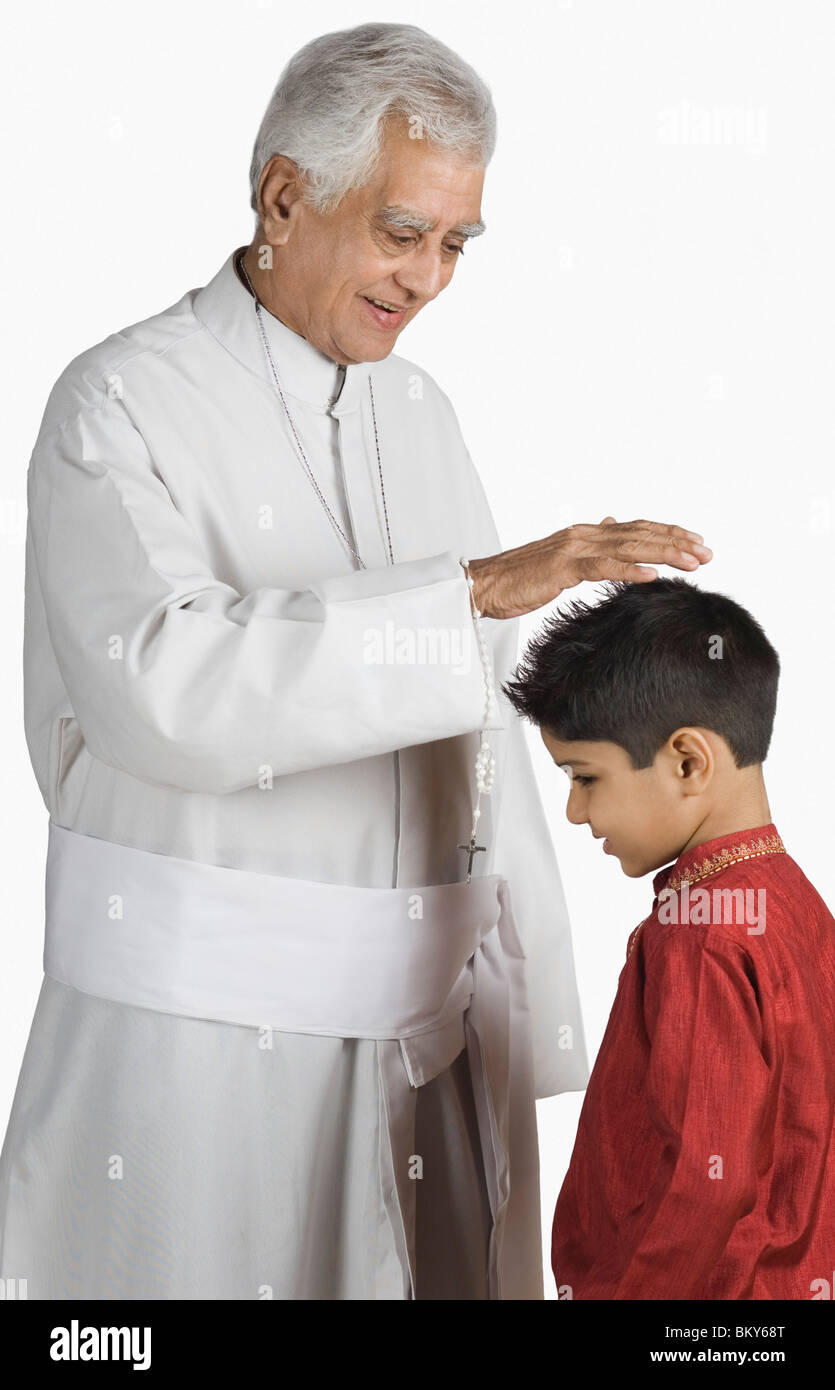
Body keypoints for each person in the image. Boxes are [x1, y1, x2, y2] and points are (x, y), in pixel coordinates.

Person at [0, 22, 712, 1301]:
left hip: (429, 1054)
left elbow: (479, 721)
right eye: (402, 233)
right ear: (283, 194)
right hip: (201, 1056)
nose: (430, 278)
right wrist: (476, 591)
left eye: (456, 243)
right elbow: (164, 691)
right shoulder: (117, 401)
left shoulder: (419, 410)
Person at [503, 576, 835, 1300]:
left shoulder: (699, 934)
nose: (573, 811)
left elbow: (701, 1184)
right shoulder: (793, 902)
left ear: (688, 762)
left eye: (584, 776)